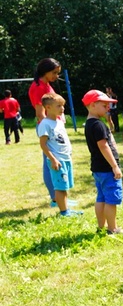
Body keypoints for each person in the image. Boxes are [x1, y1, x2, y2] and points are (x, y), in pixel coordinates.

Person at [83, 90, 123, 235]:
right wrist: (114, 166)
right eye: (104, 105)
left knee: (101, 197)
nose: (108, 108)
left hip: (97, 168)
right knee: (111, 199)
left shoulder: (89, 123)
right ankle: (112, 229)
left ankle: (101, 226)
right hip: (107, 169)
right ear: (93, 105)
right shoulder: (98, 125)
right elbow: (103, 145)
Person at [37, 93, 82, 217]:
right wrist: (53, 159)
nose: (62, 108)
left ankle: (66, 207)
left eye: (63, 106)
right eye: (59, 106)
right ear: (48, 107)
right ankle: (64, 212)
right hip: (57, 160)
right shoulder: (45, 124)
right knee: (60, 187)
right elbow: (43, 145)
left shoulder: (59, 121)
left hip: (65, 158)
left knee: (65, 185)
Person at [28, 58, 62, 207]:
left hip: (53, 126)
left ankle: (60, 197)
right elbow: (40, 113)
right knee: (50, 161)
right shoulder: (38, 87)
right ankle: (55, 199)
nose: (56, 76)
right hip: (47, 128)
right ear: (45, 71)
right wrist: (50, 129)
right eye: (54, 72)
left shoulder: (46, 84)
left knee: (56, 160)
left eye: (58, 73)